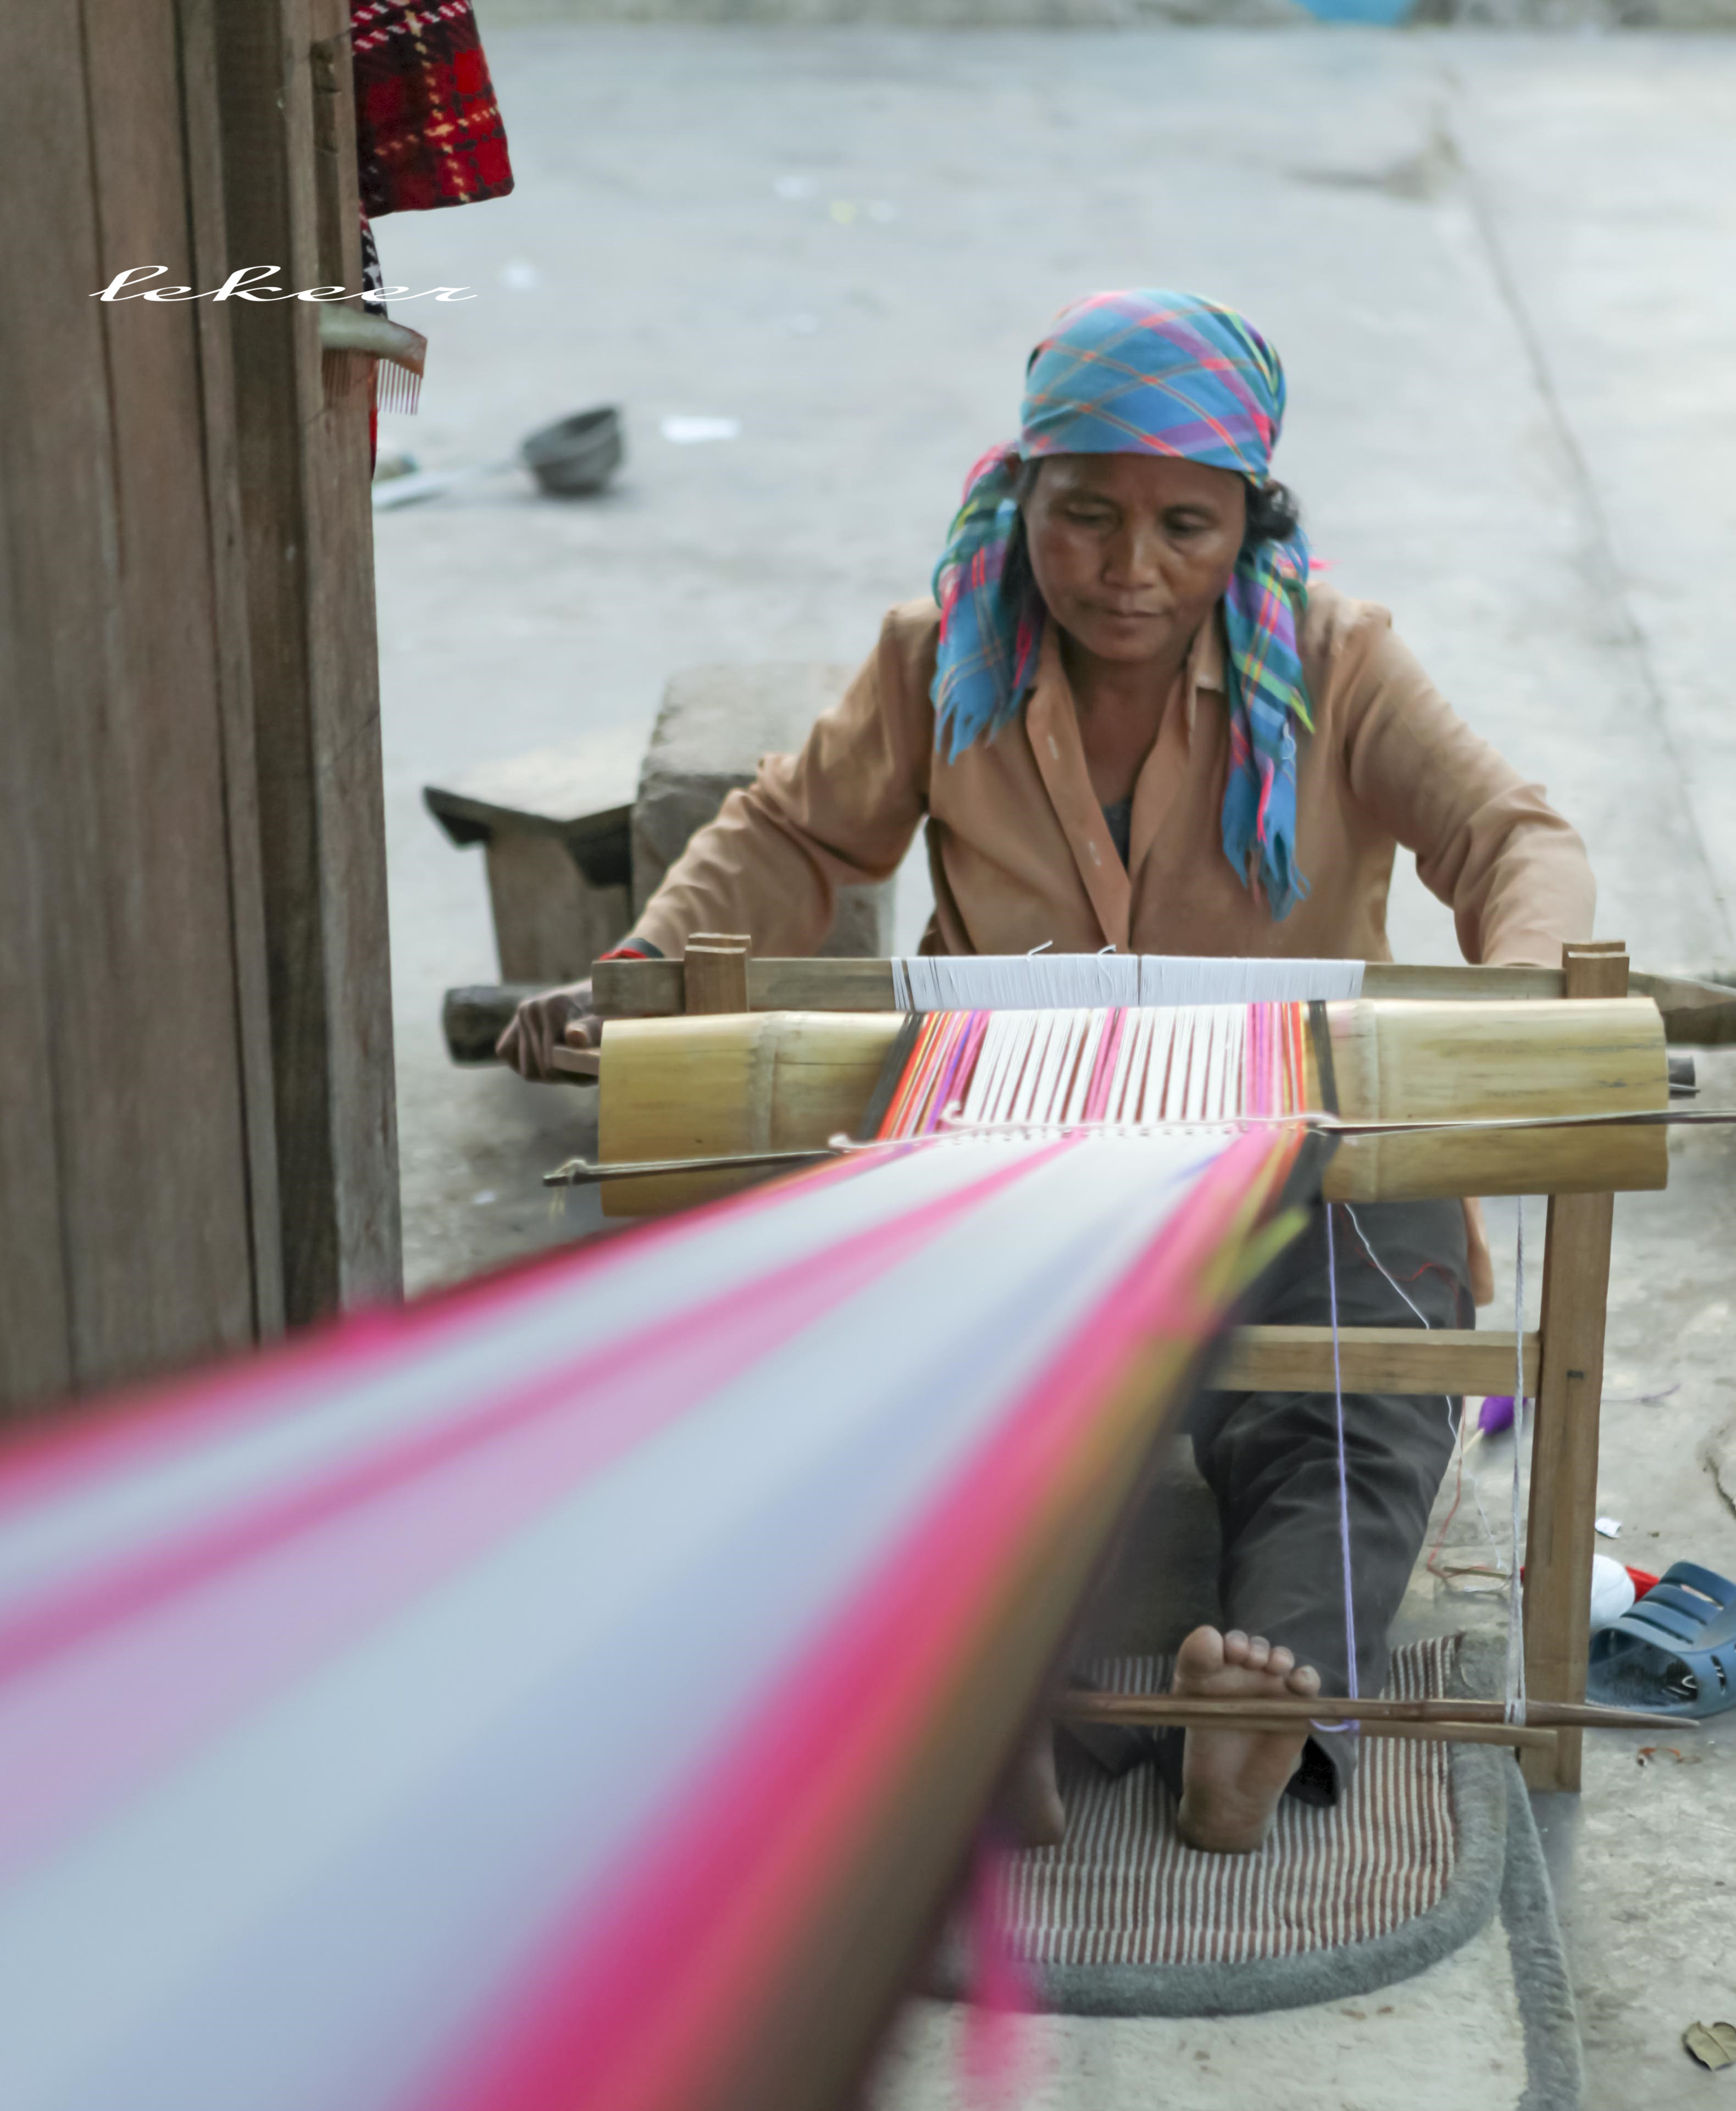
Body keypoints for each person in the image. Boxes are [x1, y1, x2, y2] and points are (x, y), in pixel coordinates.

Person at [498, 288, 1594, 1854]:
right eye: (1083, 516)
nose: (1129, 571)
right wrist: (640, 985)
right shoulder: (945, 658)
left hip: (1308, 1152)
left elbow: (1512, 838)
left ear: (1248, 524)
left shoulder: (1340, 666)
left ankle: (1263, 1709)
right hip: (1021, 1152)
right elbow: (791, 836)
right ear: (1022, 502)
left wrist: (1520, 1013)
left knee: (1359, 1404)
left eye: (1184, 528)